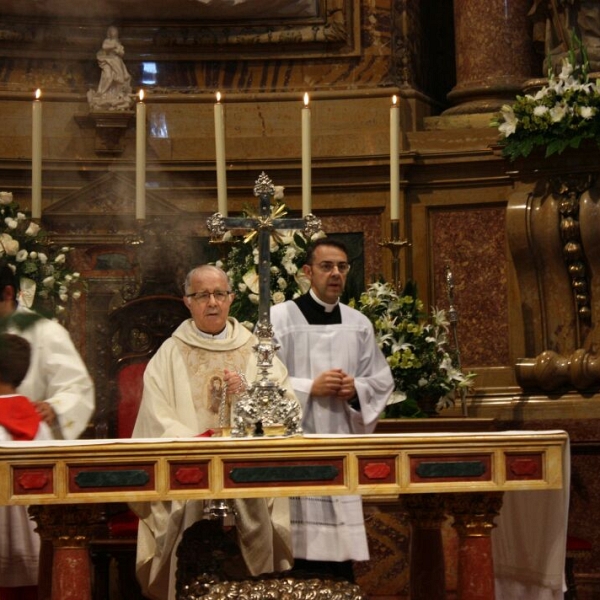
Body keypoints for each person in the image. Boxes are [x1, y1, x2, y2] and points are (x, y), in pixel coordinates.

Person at [131, 264, 295, 600]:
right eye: (202, 295)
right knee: (188, 517)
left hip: (245, 470)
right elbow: (155, 416)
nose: (212, 303)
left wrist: (248, 391)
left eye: (219, 294)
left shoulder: (254, 348)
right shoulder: (170, 352)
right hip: (189, 470)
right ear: (187, 301)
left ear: (232, 298)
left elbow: (284, 408)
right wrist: (198, 445)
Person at [270, 238, 394, 582]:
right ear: (307, 272)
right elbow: (260, 381)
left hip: (340, 443)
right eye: (327, 266)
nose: (336, 273)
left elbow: (381, 381)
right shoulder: (279, 319)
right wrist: (311, 388)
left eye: (342, 266)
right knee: (295, 552)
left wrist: (357, 390)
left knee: (338, 557)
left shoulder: (358, 324)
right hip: (293, 448)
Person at [0, 265, 95, 599]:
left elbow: (78, 388)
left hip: (30, 451)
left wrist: (55, 406)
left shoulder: (43, 331)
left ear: (9, 294)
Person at [88, 25, 133, 111]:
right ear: (109, 33)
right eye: (112, 31)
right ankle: (102, 94)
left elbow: (121, 52)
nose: (114, 33)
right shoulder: (107, 41)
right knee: (108, 76)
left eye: (115, 31)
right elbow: (105, 47)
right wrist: (114, 46)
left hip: (116, 61)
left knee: (120, 78)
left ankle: (118, 94)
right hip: (107, 61)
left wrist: (117, 49)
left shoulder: (118, 42)